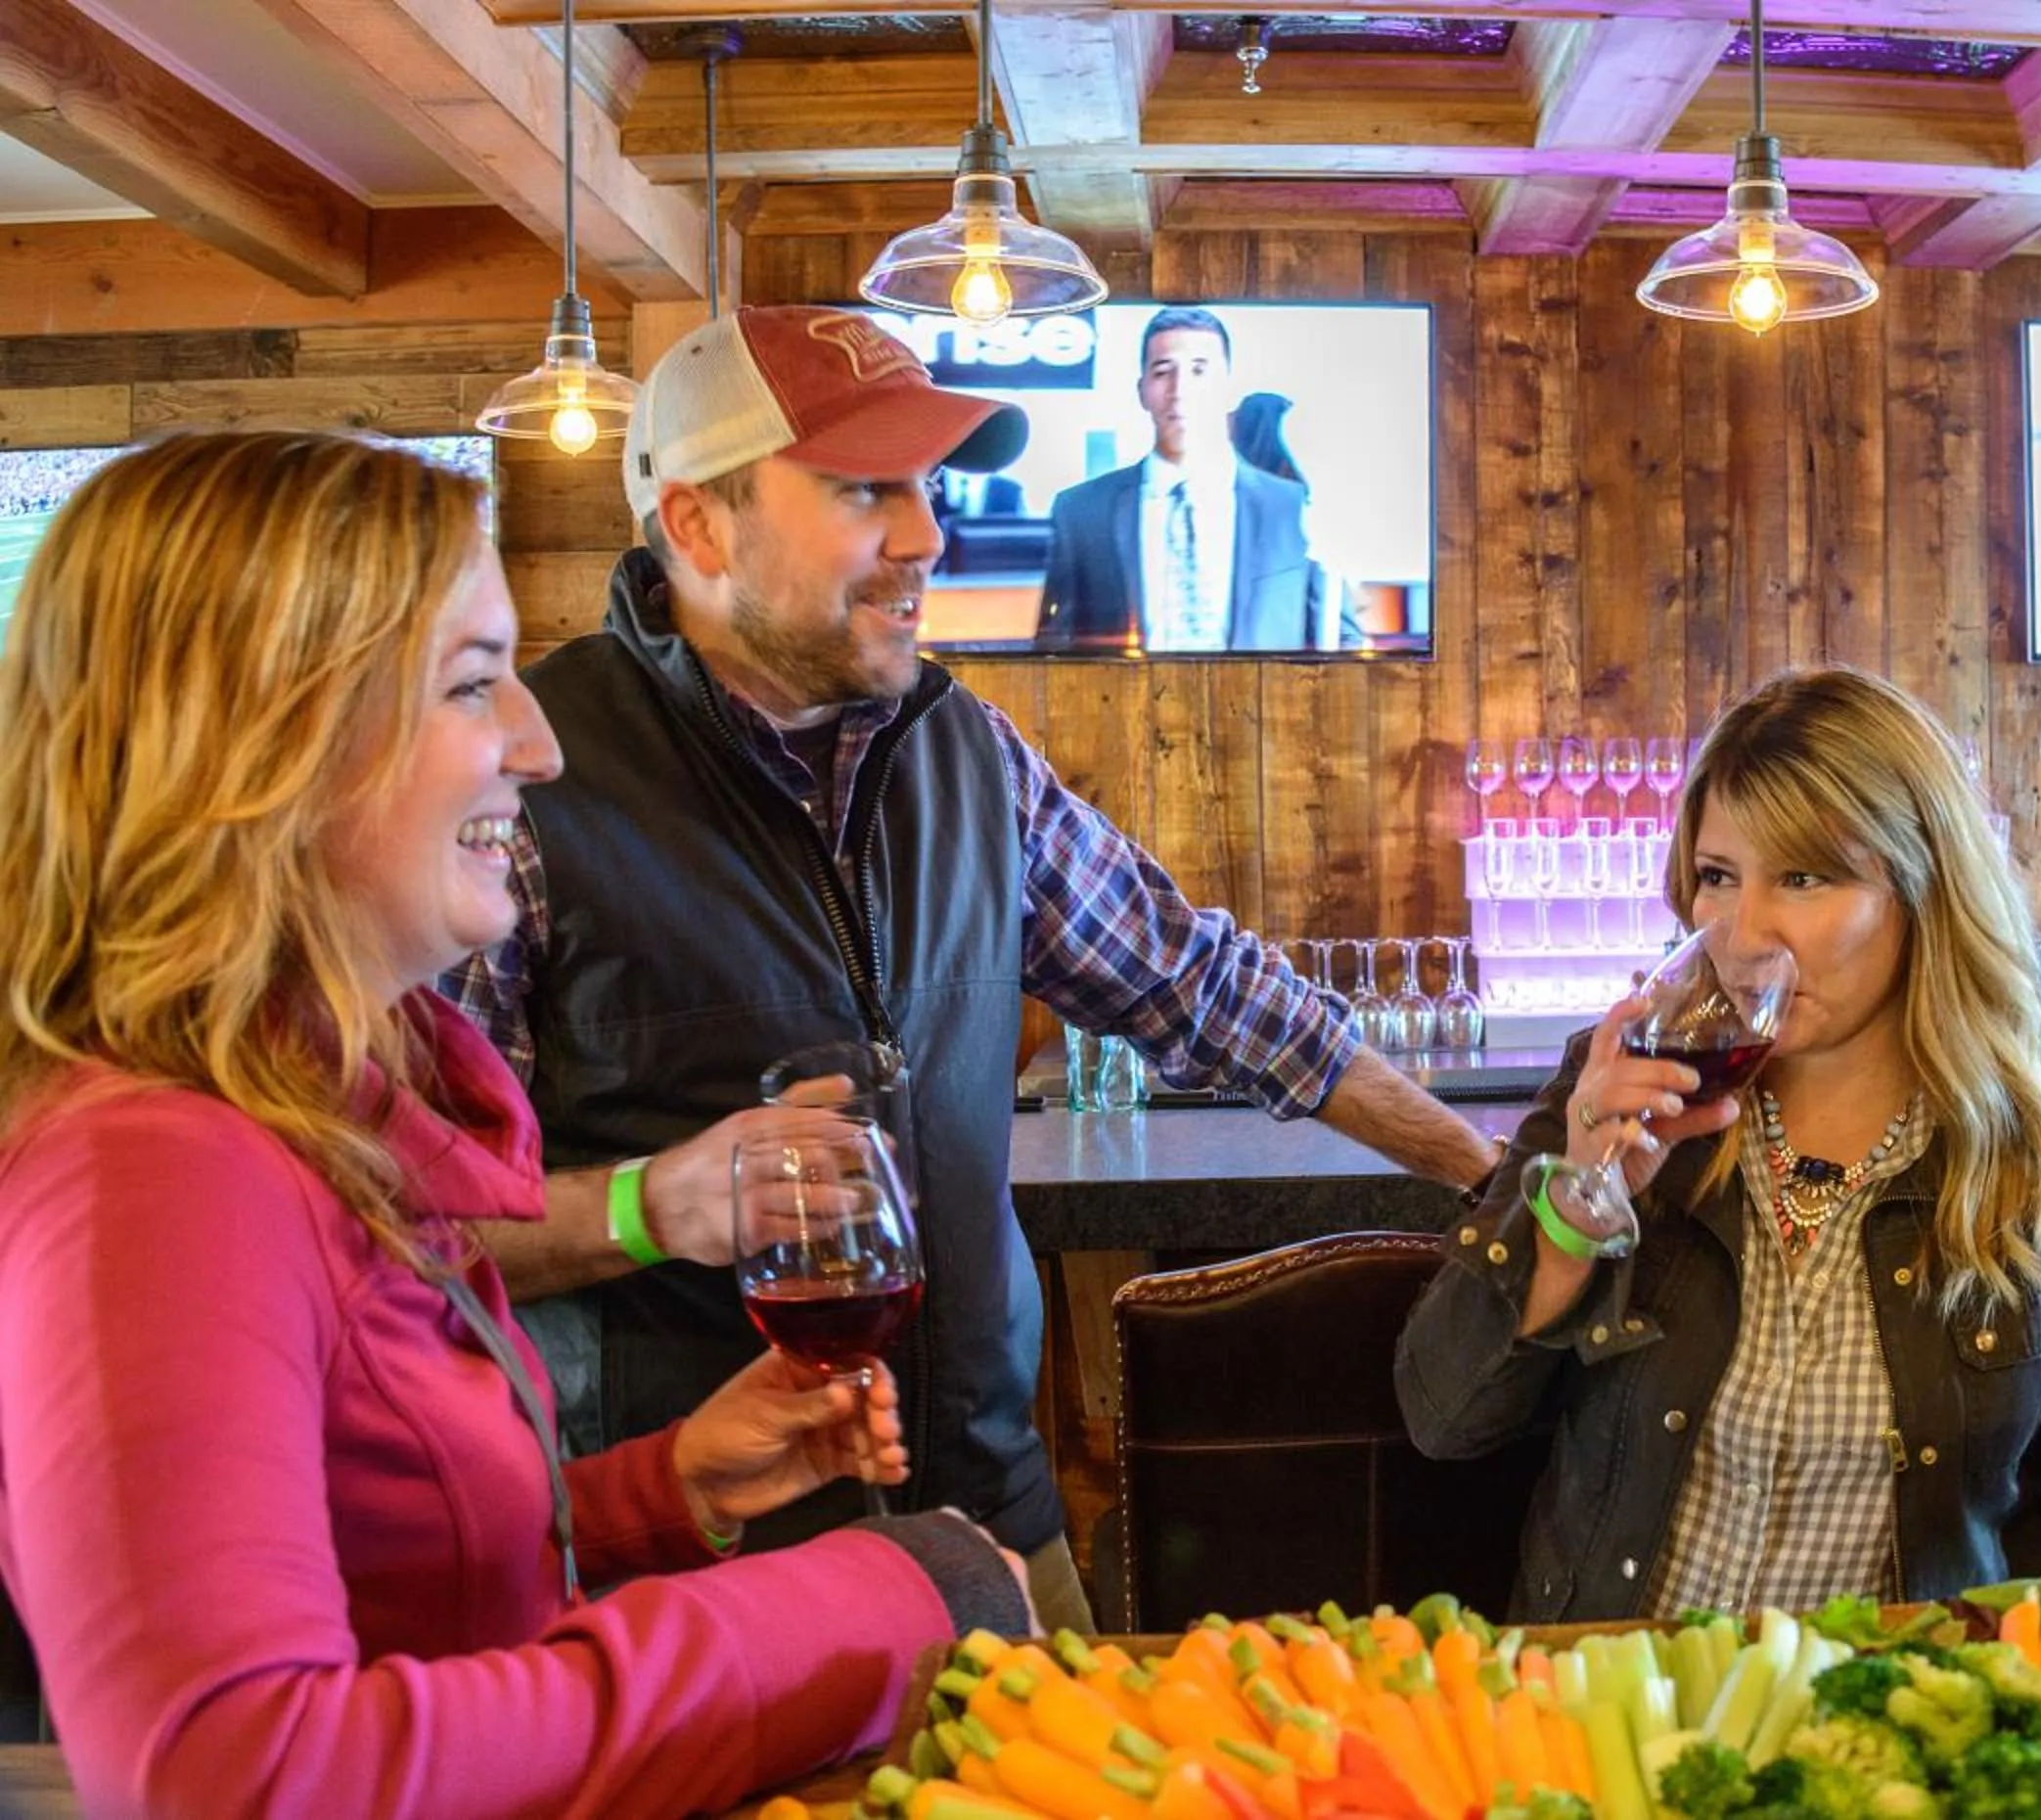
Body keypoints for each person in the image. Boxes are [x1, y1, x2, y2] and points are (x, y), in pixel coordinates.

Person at [0, 432, 1030, 1818]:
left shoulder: (294, 1112)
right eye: (477, 686)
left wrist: (658, 1493)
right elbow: (230, 1773)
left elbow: (387, 1573)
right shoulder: (154, 1167)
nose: (539, 746)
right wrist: (871, 1599)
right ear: (267, 744)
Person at [448, 304, 1496, 1634]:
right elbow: (402, 1236)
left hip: (992, 1533)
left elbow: (1207, 990)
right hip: (694, 1574)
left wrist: (1480, 1166)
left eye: (929, 487)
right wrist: (653, 1206)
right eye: (864, 490)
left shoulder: (963, 752)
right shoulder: (535, 784)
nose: (926, 535)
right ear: (702, 527)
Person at [1395, 667, 2041, 1621]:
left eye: (1804, 877)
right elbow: (1442, 1418)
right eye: (1718, 877)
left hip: (1894, 1722)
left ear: (1921, 886)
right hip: (1613, 1702)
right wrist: (1576, 1203)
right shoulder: (1620, 1090)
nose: (1741, 930)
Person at [1036, 306, 1322, 652]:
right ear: (1142, 390)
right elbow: (1053, 650)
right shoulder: (1080, 511)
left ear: (1229, 388)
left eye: (1199, 370)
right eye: (1162, 371)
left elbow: (1338, 636)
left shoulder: (1289, 507)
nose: (1179, 389)